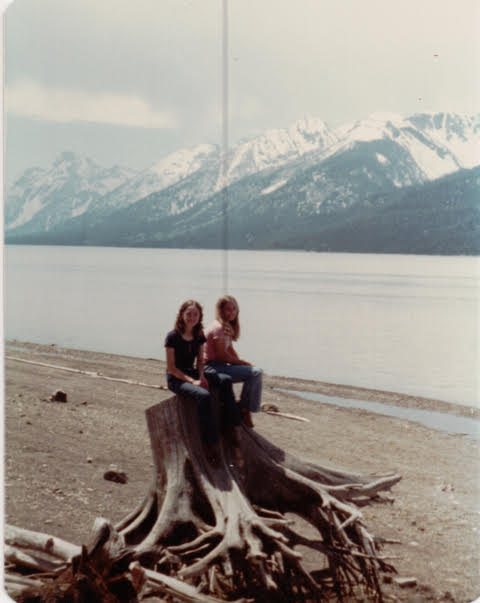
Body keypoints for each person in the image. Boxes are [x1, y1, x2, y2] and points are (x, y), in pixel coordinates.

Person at [165, 300, 242, 458]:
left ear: (200, 317)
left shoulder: (198, 335)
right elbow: (172, 368)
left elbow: (200, 361)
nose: (192, 317)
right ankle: (210, 443)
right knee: (203, 395)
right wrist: (194, 382)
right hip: (176, 378)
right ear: (182, 315)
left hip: (193, 372)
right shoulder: (172, 336)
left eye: (196, 314)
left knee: (225, 380)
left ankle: (231, 427)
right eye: (189, 313)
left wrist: (201, 376)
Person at [204, 295, 262, 428]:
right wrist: (241, 364)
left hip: (218, 365)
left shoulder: (225, 326)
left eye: (235, 309)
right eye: (228, 309)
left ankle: (244, 408)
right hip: (211, 367)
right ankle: (245, 410)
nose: (232, 312)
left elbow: (229, 348)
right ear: (221, 310)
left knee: (253, 371)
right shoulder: (218, 327)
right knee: (255, 373)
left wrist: (243, 362)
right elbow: (222, 356)